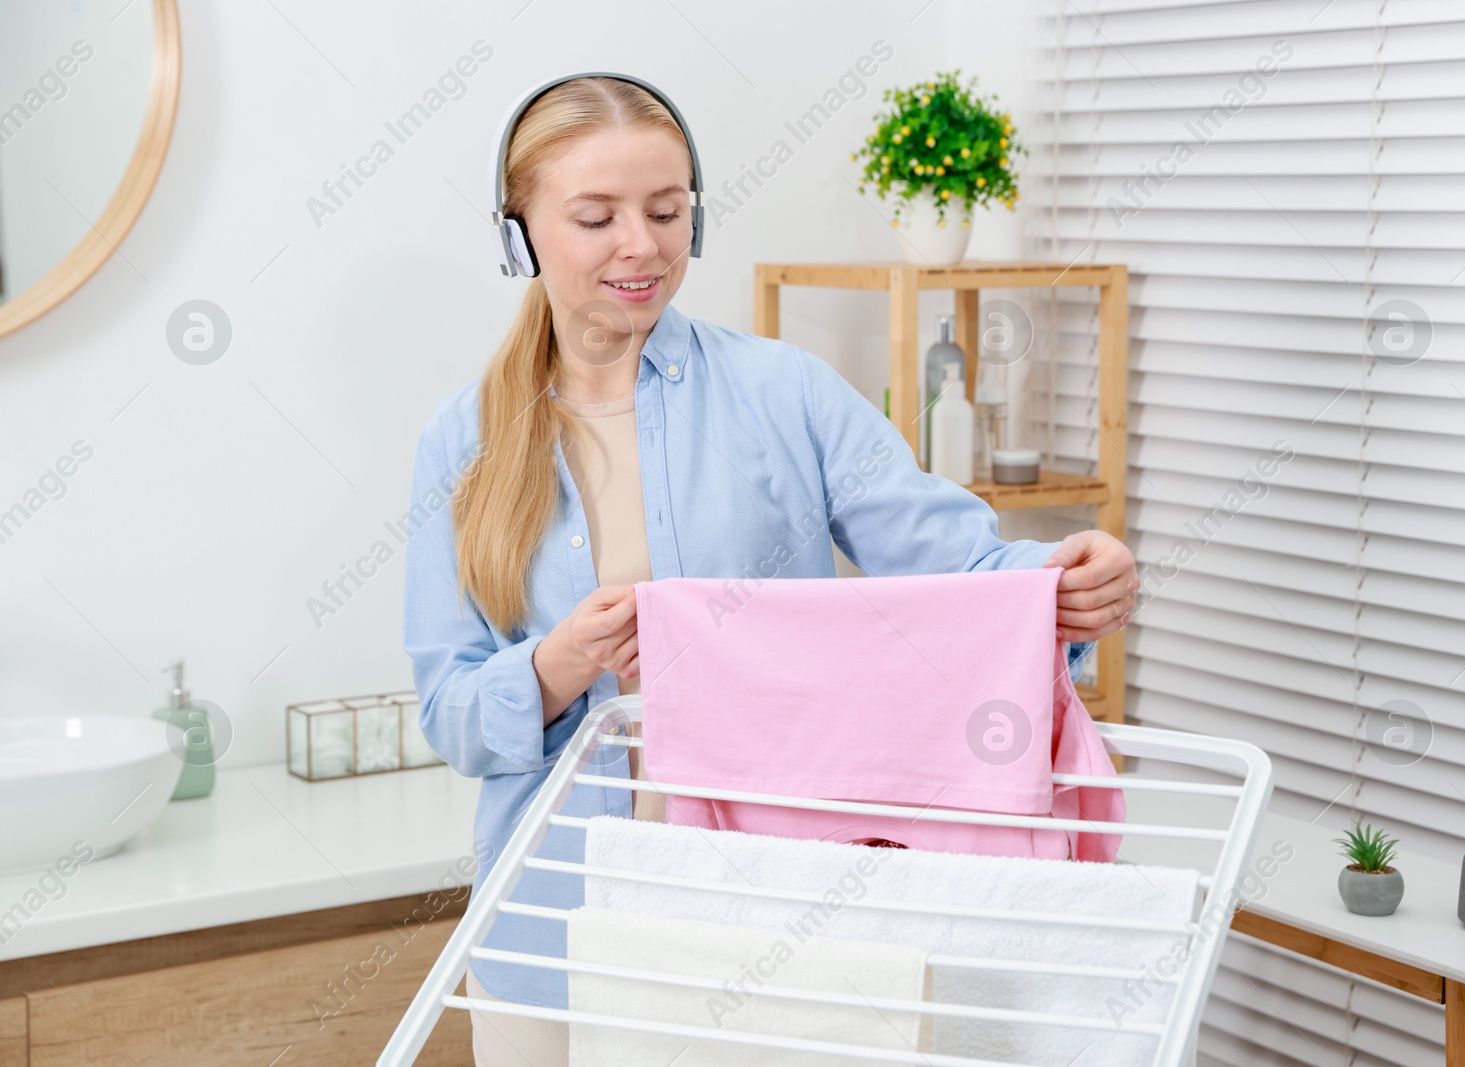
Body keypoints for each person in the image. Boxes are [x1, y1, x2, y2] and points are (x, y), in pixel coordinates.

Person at [401, 75, 1138, 1067]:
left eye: (667, 212)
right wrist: (560, 661)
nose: (642, 245)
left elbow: (957, 563)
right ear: (519, 232)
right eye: (595, 216)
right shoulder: (465, 440)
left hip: (766, 915)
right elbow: (449, 707)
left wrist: (1061, 582)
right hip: (549, 918)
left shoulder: (783, 393)